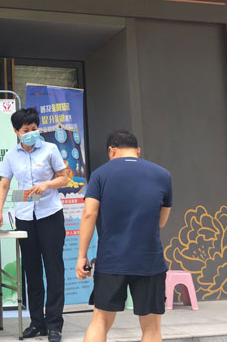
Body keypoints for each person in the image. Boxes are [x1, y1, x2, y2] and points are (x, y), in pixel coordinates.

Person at [76, 130, 172, 342]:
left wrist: (82, 256)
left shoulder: (100, 174)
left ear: (111, 151)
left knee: (100, 320)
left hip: (111, 260)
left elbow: (89, 214)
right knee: (152, 328)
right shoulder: (163, 175)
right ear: (138, 151)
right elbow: (161, 221)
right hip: (149, 260)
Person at [0, 108, 69, 342]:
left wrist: (47, 185)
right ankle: (37, 323)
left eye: (35, 129)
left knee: (54, 270)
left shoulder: (50, 149)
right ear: (16, 131)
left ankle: (54, 324)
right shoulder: (11, 156)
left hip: (50, 215)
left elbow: (64, 178)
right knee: (32, 271)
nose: (32, 133)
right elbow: (4, 185)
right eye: (26, 130)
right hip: (24, 217)